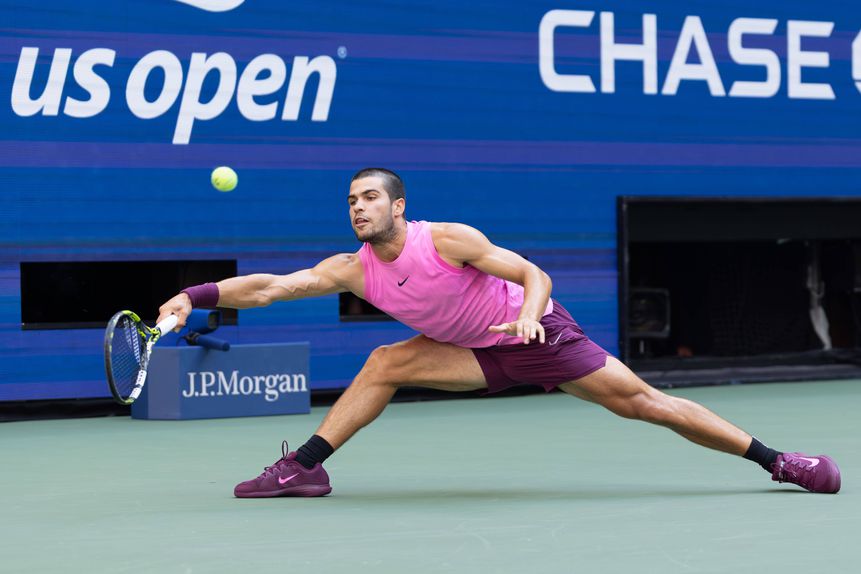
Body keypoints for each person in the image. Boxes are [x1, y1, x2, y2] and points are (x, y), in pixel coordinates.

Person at [157, 168, 841, 497]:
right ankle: (302, 469)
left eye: (369, 198)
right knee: (385, 360)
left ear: (398, 205)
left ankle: (778, 461)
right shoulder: (352, 269)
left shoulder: (448, 239)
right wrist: (191, 296)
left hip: (535, 332)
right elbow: (270, 287)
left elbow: (531, 271)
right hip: (472, 351)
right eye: (350, 202)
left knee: (644, 404)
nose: (358, 209)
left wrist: (525, 313)